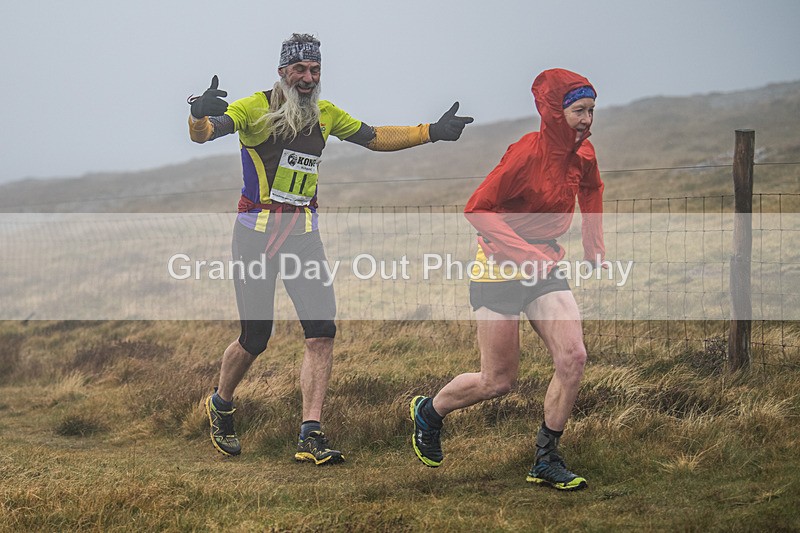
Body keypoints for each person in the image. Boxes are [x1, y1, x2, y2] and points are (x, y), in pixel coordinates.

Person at [188, 33, 473, 464]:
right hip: (256, 237)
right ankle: (222, 403)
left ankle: (310, 433)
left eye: (315, 70)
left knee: (321, 333)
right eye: (299, 70)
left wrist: (430, 132)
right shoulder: (251, 108)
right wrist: (197, 115)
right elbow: (206, 133)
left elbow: (375, 136)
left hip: (303, 236)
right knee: (255, 337)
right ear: (282, 72)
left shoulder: (324, 114)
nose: (308, 77)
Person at [409, 68, 604, 490]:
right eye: (578, 111)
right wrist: (524, 253)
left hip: (545, 266)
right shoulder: (525, 154)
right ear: (554, 112)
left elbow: (592, 190)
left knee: (573, 357)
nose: (587, 120)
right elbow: (477, 209)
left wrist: (593, 245)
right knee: (498, 381)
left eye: (591, 110)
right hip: (498, 268)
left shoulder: (583, 155)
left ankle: (545, 460)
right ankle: (430, 411)